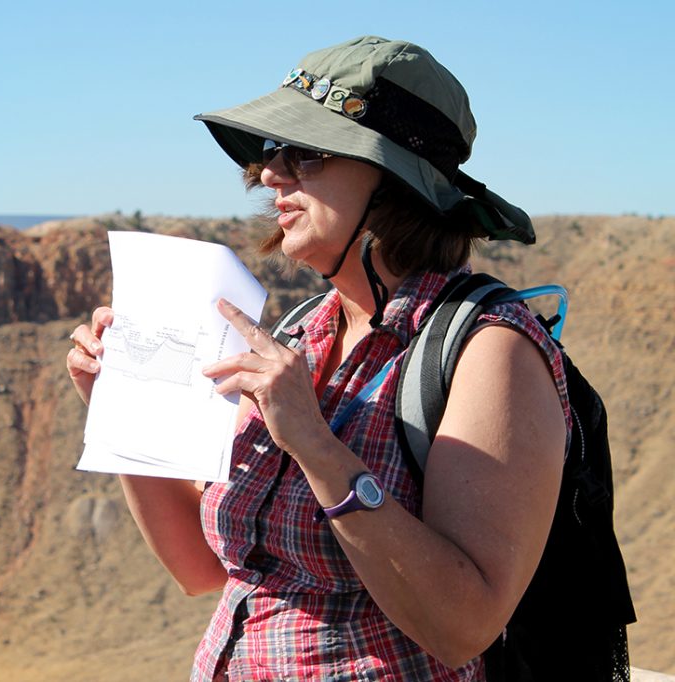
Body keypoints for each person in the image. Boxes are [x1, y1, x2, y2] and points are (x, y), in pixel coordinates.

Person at [66, 36, 569, 681]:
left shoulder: (488, 348)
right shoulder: (306, 330)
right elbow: (202, 569)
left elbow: (463, 624)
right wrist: (123, 411)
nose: (270, 174)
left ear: (393, 179)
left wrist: (314, 443)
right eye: (272, 153)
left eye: (305, 155)